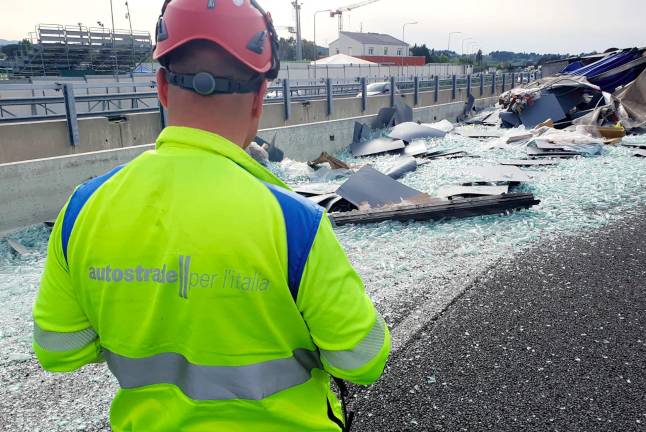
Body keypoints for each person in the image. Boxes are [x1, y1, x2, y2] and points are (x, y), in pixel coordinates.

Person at [31, 1, 390, 430]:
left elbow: (58, 350)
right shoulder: (295, 224)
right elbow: (363, 360)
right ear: (260, 97)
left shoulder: (83, 208)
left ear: (162, 86)